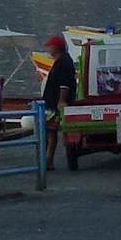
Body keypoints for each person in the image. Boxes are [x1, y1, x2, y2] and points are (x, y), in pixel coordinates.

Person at [41, 33, 79, 169]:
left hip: (54, 104)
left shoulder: (63, 62)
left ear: (56, 47)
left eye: (50, 46)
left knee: (50, 132)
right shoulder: (63, 60)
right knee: (49, 132)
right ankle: (47, 159)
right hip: (51, 102)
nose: (48, 49)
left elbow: (64, 84)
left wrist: (61, 100)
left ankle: (48, 160)